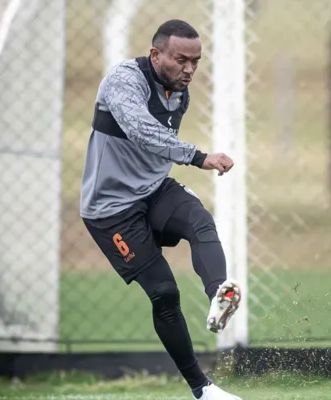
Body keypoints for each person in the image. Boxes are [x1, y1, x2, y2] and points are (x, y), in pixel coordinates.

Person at [79, 19, 243, 400]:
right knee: (165, 293)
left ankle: (220, 295)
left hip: (154, 190)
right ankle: (202, 390)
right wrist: (198, 157)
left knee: (201, 221)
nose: (189, 70)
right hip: (112, 210)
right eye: (180, 60)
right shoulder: (124, 81)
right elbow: (141, 130)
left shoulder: (178, 91)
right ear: (155, 54)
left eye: (196, 62)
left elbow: (154, 148)